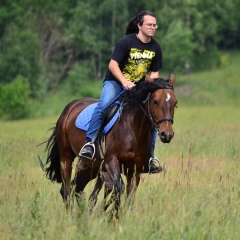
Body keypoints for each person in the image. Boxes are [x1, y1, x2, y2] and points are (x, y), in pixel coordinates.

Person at [80, 10, 162, 173]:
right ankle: (90, 144)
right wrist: (124, 82)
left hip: (138, 86)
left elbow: (154, 73)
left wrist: (149, 86)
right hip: (116, 82)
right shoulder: (126, 42)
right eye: (149, 25)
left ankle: (149, 158)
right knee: (103, 105)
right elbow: (113, 65)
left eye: (155, 25)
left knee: (151, 116)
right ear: (140, 26)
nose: (153, 28)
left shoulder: (156, 47)